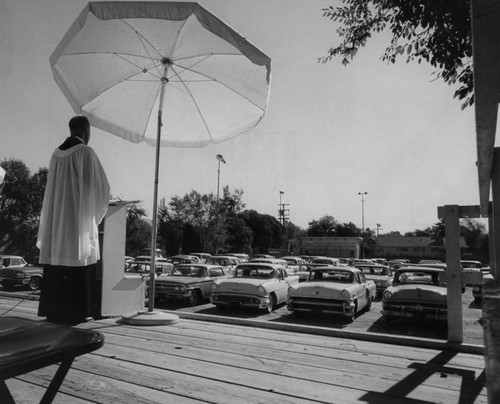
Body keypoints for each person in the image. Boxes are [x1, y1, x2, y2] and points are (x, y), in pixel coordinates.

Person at [37, 115, 110, 325]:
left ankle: (54, 311)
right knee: (78, 260)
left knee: (58, 263)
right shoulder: (85, 152)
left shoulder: (55, 154)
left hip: (56, 223)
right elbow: (99, 187)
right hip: (76, 222)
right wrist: (93, 217)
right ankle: (77, 312)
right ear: (86, 130)